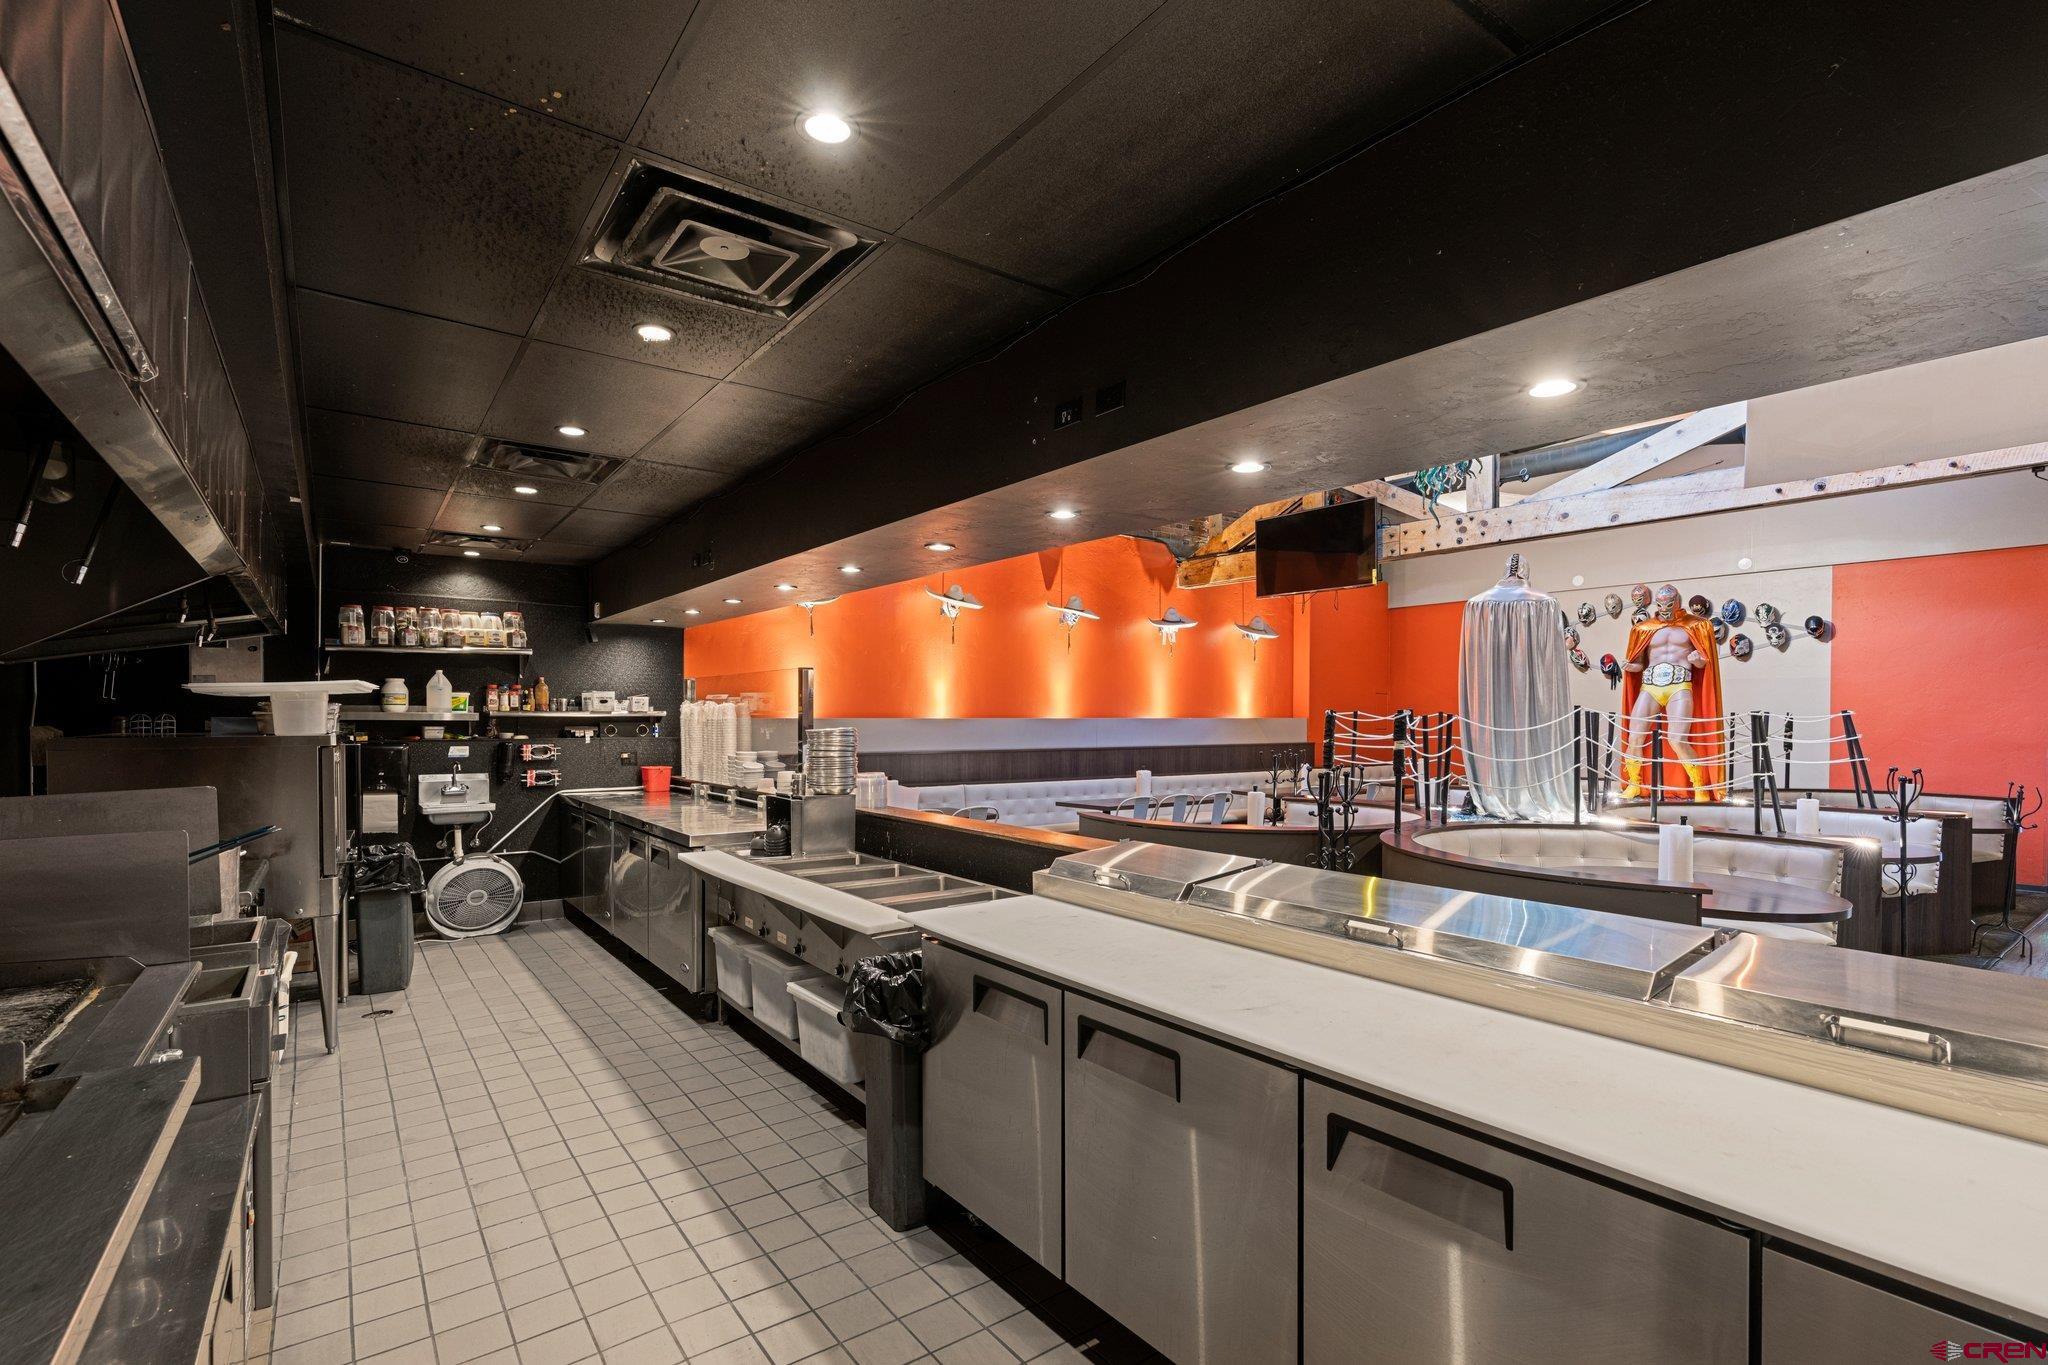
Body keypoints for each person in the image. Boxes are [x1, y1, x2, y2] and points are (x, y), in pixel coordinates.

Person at [1620, 584, 1725, 800]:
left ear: (1677, 602)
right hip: (1649, 686)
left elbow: (1705, 663)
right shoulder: (1644, 629)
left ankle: (1699, 786)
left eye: (1669, 604)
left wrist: (1699, 661)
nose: (1665, 608)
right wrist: (1631, 667)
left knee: (1677, 740)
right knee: (1635, 738)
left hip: (1679, 685)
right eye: (1660, 604)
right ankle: (1634, 783)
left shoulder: (1696, 626)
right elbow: (1639, 662)